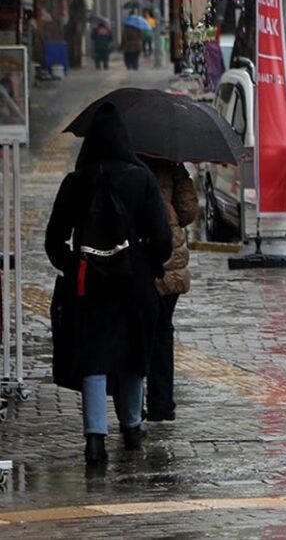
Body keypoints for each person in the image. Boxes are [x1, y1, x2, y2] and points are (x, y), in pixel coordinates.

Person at [46, 104, 172, 465]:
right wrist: (146, 264)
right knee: (133, 355)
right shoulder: (142, 178)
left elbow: (54, 242)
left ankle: (95, 439)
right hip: (134, 284)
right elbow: (162, 239)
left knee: (94, 358)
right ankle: (132, 427)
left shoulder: (76, 182)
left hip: (88, 287)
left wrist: (76, 267)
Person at [139, 155, 199, 423]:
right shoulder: (172, 165)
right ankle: (161, 404)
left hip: (137, 258)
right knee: (162, 332)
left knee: (136, 332)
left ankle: (131, 406)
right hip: (169, 260)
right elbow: (188, 212)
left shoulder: (127, 164)